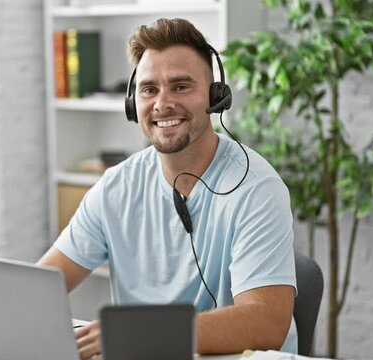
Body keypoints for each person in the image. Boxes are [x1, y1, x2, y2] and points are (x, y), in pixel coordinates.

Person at [37, 18, 297, 359]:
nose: (162, 104)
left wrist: (141, 334)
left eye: (181, 86)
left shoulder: (256, 188)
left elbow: (267, 324)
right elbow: (41, 288)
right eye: (149, 90)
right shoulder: (116, 186)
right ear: (134, 103)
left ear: (216, 96)